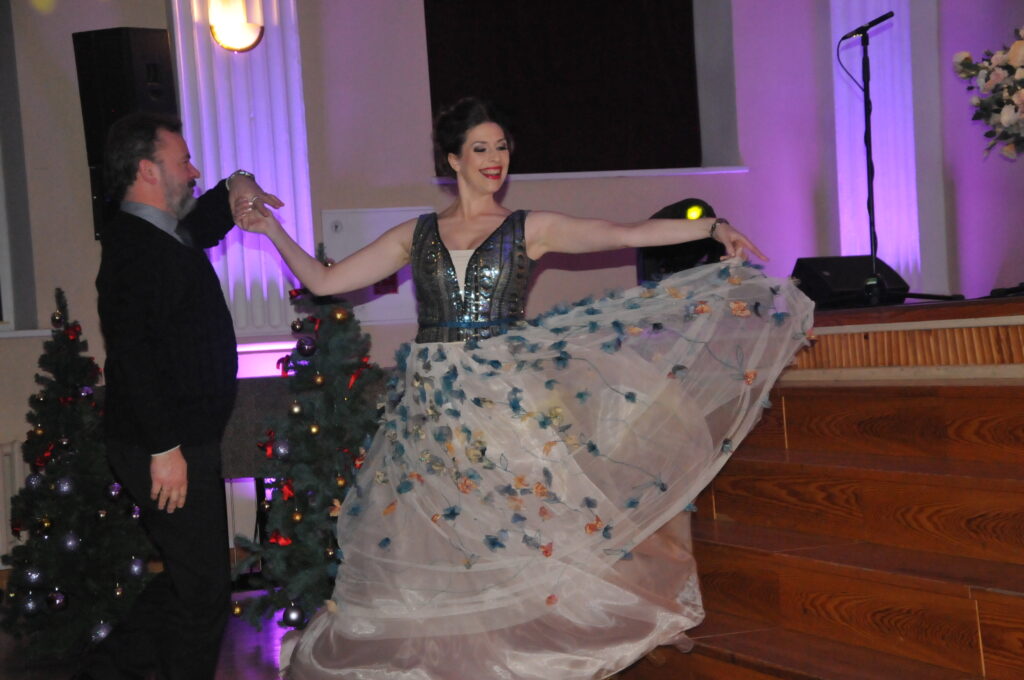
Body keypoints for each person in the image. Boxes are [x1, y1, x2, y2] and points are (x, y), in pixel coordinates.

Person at [239, 97, 814, 680]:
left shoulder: (526, 228)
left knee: (517, 524)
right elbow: (325, 280)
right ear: (453, 160)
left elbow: (623, 232)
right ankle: (450, 658)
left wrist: (712, 227)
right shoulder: (417, 234)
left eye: (502, 147)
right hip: (432, 409)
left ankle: (525, 651)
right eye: (481, 149)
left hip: (500, 399)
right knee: (438, 535)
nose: (495, 159)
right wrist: (271, 230)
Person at [85, 112, 282, 680]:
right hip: (164, 446)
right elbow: (132, 358)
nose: (193, 171)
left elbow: (209, 219)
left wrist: (239, 182)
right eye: (183, 161)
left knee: (189, 582)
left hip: (182, 441)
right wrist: (165, 449)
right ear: (148, 170)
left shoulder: (163, 231)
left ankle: (105, 672)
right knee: (203, 594)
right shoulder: (132, 248)